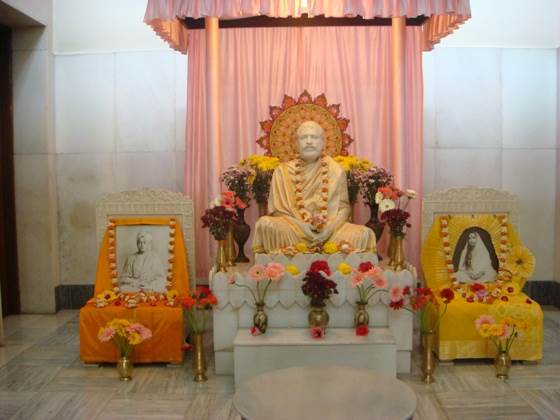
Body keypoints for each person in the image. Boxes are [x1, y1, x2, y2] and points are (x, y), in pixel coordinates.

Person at [252, 120, 376, 253]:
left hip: (329, 233)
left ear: (323, 143)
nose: (309, 141)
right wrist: (303, 227)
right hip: (293, 229)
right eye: (304, 137)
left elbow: (344, 208)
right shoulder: (282, 172)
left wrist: (328, 230)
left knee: (365, 234)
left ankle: (307, 248)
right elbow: (278, 211)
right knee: (264, 224)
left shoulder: (335, 170)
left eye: (314, 137)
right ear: (296, 144)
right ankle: (312, 248)